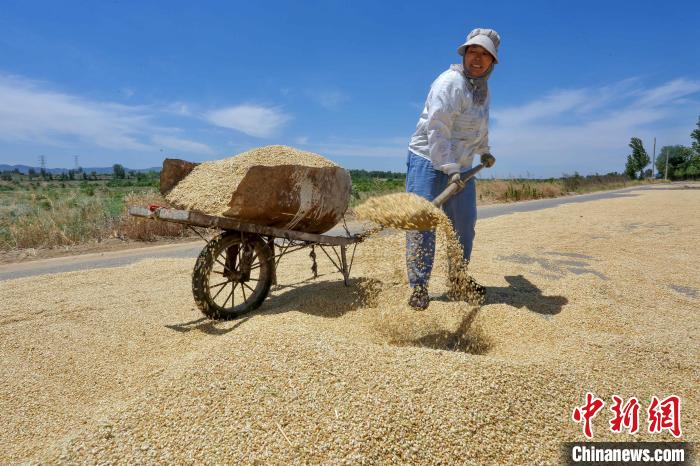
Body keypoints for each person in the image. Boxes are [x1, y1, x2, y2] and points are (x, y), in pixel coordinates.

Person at [405, 28, 500, 310]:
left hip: (461, 165)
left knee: (464, 225)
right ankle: (419, 287)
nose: (478, 59)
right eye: (473, 52)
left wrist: (484, 151)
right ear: (464, 54)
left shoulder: (483, 90)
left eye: (485, 54)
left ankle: (458, 279)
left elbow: (480, 125)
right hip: (429, 160)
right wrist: (448, 167)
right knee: (422, 224)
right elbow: (438, 128)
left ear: (492, 62)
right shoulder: (449, 83)